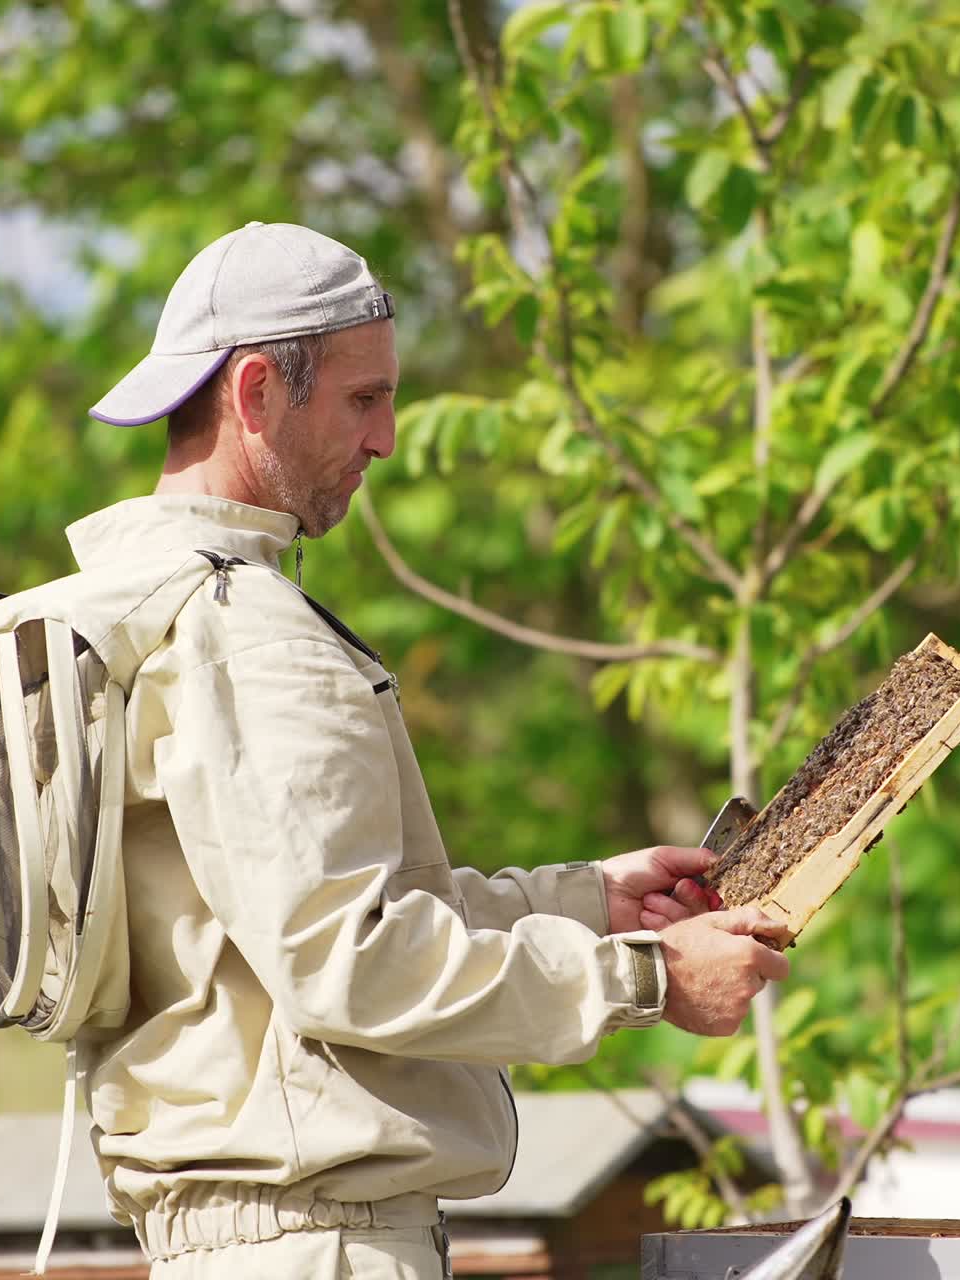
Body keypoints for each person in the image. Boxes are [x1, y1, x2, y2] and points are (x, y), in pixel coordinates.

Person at [72, 221, 791, 1280]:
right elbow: (348, 960)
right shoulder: (250, 627)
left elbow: (312, 921)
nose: (388, 439)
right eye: (365, 398)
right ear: (257, 390)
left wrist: (587, 898)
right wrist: (645, 978)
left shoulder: (141, 614)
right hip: (323, 1248)